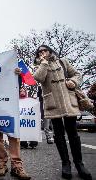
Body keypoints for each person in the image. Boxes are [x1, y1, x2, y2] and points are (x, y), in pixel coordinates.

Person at [33, 45, 92, 180]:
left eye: (45, 50)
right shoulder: (39, 66)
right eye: (40, 52)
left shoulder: (62, 61)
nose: (42, 53)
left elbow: (77, 74)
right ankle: (66, 164)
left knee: (73, 133)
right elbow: (39, 78)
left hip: (68, 102)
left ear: (50, 51)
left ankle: (80, 164)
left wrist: (73, 81)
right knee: (58, 134)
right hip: (53, 103)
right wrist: (44, 63)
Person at [0, 49, 31, 180]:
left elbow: (16, 86)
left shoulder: (9, 68)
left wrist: (18, 75)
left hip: (9, 106)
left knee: (13, 135)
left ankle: (17, 166)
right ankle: (1, 164)